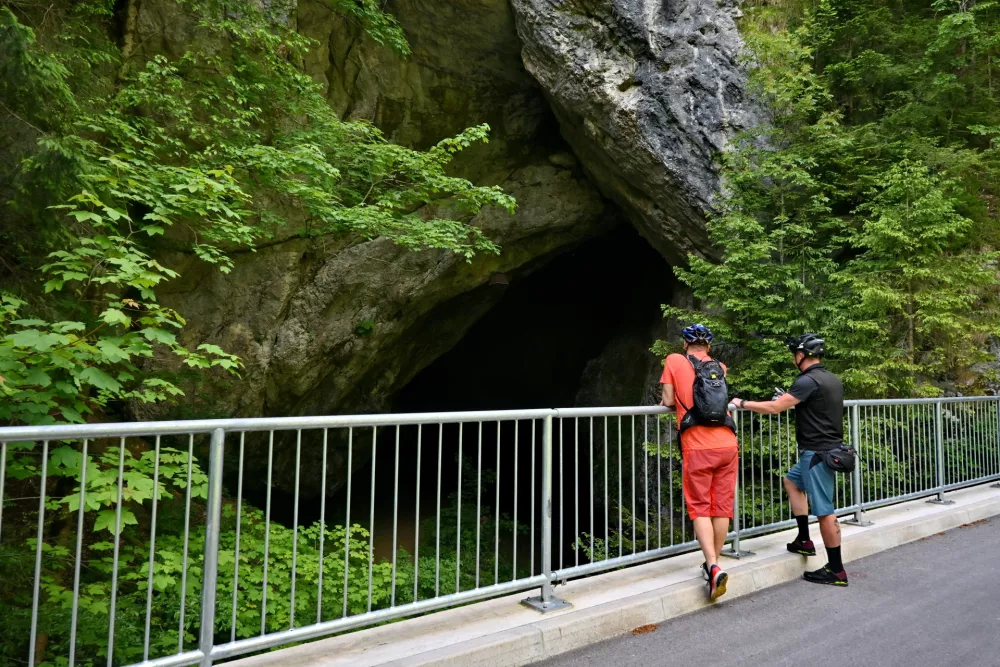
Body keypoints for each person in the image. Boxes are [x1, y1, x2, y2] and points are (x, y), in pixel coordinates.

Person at [731, 333, 848, 586]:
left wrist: (742, 403)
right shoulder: (831, 379)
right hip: (823, 450)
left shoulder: (807, 381)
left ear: (801, 355)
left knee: (825, 511)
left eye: (795, 354)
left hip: (817, 453)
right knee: (791, 482)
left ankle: (836, 570)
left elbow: (775, 408)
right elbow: (816, 407)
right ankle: (804, 540)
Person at [660, 324, 739, 601]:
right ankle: (713, 566)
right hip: (728, 443)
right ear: (708, 346)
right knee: (721, 506)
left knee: (700, 506)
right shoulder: (720, 366)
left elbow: (668, 399)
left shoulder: (674, 360)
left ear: (685, 344)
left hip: (697, 444)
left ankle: (713, 565)